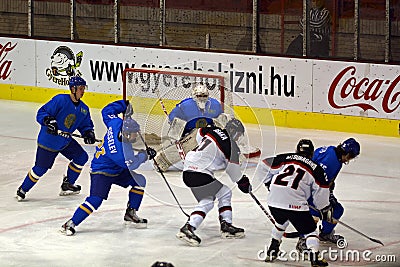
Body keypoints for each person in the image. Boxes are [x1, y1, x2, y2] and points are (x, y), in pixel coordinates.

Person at [60, 100, 157, 235]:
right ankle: (70, 223)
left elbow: (107, 111)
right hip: (102, 171)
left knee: (140, 181)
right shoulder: (120, 151)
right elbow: (131, 164)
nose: (137, 135)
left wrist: (124, 105)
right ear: (127, 134)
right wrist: (145, 155)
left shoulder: (116, 124)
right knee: (95, 200)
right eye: (135, 133)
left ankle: (131, 212)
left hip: (115, 168)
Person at [16, 76, 96, 201]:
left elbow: (85, 125)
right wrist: (48, 120)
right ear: (73, 89)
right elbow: (42, 112)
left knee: (81, 157)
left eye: (83, 88)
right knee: (40, 169)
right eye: (80, 88)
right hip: (49, 141)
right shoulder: (60, 100)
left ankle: (68, 185)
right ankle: (23, 189)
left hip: (65, 141)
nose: (83, 91)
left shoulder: (83, 109)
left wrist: (88, 133)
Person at [176, 118, 252, 246]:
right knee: (216, 197)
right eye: (238, 134)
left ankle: (223, 225)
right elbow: (233, 172)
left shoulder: (212, 130)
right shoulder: (231, 146)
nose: (238, 138)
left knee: (218, 195)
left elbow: (199, 134)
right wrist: (243, 182)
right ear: (233, 131)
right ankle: (189, 227)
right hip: (200, 173)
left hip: (188, 170)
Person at [255, 139, 331, 267]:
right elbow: (322, 190)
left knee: (281, 222)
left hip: (274, 201)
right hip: (295, 204)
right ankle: (315, 258)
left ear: (297, 150)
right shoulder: (316, 169)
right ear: (311, 154)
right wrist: (323, 208)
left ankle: (272, 250)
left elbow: (263, 165)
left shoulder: (285, 157)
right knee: (310, 232)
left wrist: (269, 183)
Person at [296, 138, 361, 252]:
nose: (349, 160)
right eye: (351, 157)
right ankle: (302, 240)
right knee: (314, 215)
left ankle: (325, 234)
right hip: (308, 190)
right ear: (348, 154)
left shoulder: (331, 150)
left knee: (337, 210)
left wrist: (329, 192)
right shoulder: (332, 163)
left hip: (312, 188)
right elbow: (316, 182)